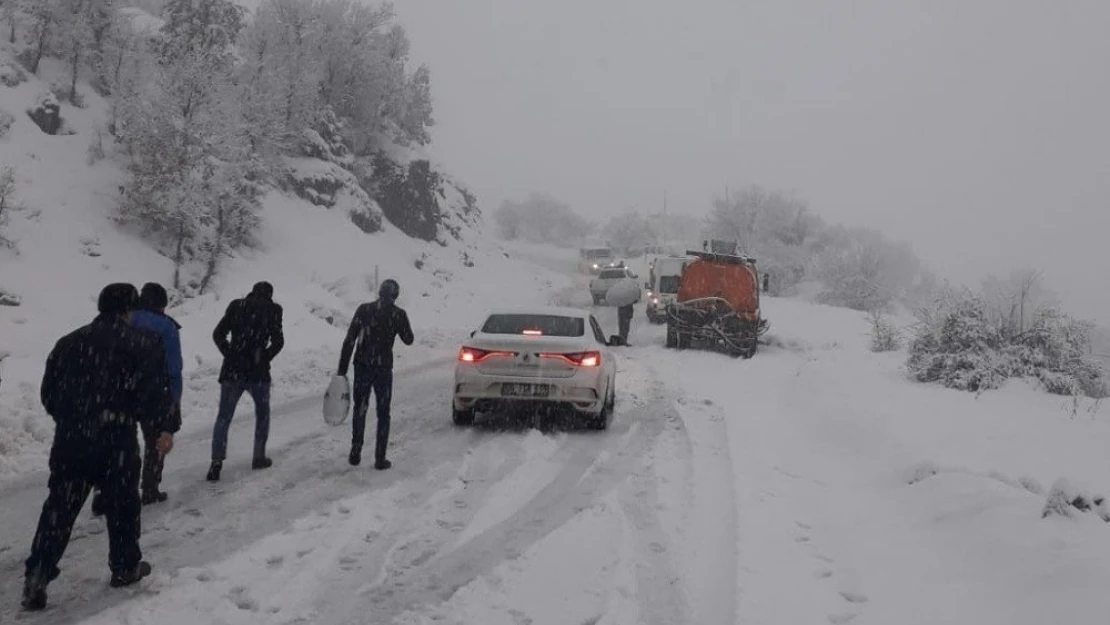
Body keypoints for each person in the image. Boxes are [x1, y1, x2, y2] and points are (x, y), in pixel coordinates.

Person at [22, 283, 175, 611]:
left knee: (59, 510)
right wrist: (161, 427)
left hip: (71, 439)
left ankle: (38, 573)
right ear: (128, 311)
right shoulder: (143, 344)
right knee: (122, 506)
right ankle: (124, 567)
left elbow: (49, 392)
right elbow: (151, 394)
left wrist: (73, 419)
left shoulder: (68, 343)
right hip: (116, 438)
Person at [89, 282, 183, 513]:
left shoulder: (121, 319)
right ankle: (150, 488)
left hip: (119, 392)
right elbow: (174, 368)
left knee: (114, 441)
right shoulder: (166, 326)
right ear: (162, 304)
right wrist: (175, 399)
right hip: (153, 392)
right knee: (155, 441)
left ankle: (102, 492)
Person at [206, 281, 284, 482]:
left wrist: (230, 353)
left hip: (232, 371)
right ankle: (258, 456)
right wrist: (264, 356)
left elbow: (218, 334)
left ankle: (216, 461)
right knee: (262, 414)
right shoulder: (273, 310)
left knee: (224, 417)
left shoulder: (236, 306)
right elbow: (278, 341)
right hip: (258, 373)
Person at [336, 279, 414, 469]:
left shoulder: (364, 309)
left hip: (362, 364)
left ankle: (356, 448)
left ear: (380, 292)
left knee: (360, 407)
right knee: (383, 413)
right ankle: (380, 457)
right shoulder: (398, 314)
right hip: (383, 369)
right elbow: (409, 339)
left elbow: (349, 340)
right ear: (396, 296)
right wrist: (399, 324)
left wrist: (342, 369)